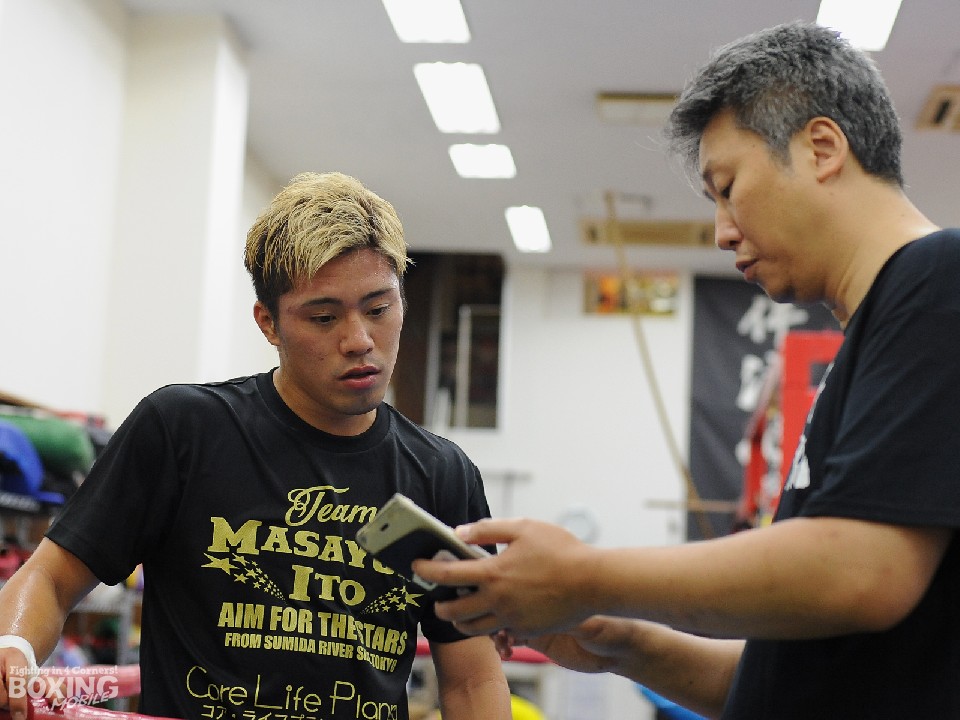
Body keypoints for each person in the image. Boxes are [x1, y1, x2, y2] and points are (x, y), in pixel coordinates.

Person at [413, 21, 960, 719]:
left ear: (822, 148)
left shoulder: (939, 278)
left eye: (728, 188)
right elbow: (785, 680)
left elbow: (863, 572)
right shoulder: (876, 337)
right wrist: (618, 641)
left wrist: (585, 575)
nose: (723, 231)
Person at [0, 172, 512, 720]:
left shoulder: (441, 473)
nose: (359, 340)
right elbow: (50, 577)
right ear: (268, 323)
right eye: (323, 317)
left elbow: (473, 680)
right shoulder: (184, 430)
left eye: (379, 309)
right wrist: (14, 648)